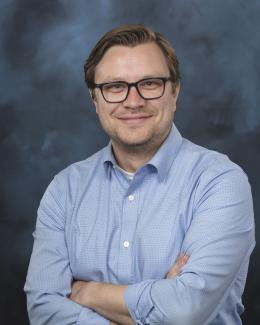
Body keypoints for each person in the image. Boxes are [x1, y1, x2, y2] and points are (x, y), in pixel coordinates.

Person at [24, 24, 255, 325]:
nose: (133, 101)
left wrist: (86, 292)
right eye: (115, 87)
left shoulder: (219, 182)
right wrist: (160, 297)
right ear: (95, 100)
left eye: (150, 83)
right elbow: (43, 309)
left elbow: (185, 310)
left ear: (174, 91)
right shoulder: (64, 189)